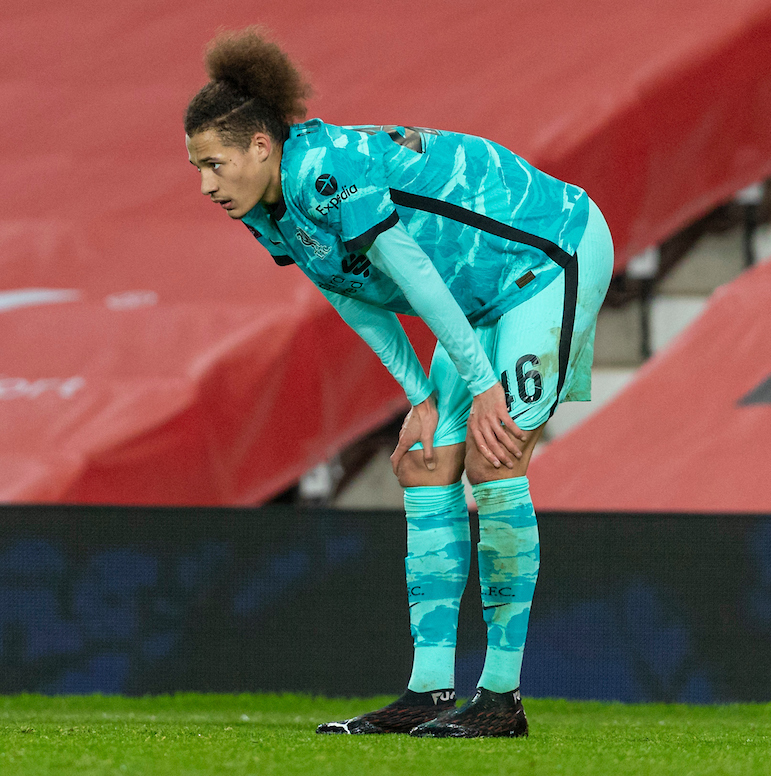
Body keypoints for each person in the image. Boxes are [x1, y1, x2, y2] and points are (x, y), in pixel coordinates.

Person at [184, 27, 612, 738]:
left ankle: (501, 700)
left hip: (550, 255)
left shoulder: (325, 169)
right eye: (197, 167)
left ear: (262, 146)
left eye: (214, 163)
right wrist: (419, 395)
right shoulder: (266, 210)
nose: (205, 184)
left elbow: (409, 269)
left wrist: (479, 384)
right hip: (479, 300)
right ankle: (429, 693)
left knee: (494, 454)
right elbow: (351, 295)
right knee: (425, 464)